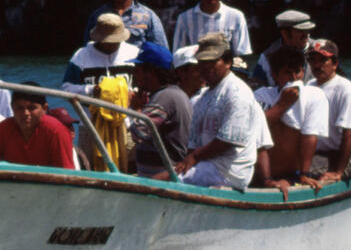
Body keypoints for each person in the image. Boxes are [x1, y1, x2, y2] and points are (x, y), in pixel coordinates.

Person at [167, 32, 260, 190]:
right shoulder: (203, 96)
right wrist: (187, 161)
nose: (206, 67)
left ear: (228, 62)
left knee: (166, 181)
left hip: (229, 171)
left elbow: (228, 140)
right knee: (166, 174)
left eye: (212, 61)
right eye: (202, 62)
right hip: (207, 164)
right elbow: (193, 141)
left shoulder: (237, 92)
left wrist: (194, 158)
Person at [253, 46, 329, 190]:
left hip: (293, 173)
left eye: (298, 72)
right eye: (288, 73)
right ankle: (266, 179)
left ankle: (294, 177)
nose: (294, 78)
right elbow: (255, 130)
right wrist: (283, 104)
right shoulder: (261, 95)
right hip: (261, 172)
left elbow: (310, 135)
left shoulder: (314, 96)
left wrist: (304, 174)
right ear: (274, 75)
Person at [128, 42, 192, 176]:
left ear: (150, 71)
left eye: (137, 69)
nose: (134, 74)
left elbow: (137, 133)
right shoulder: (171, 93)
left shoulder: (165, 97)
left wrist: (137, 109)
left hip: (161, 176)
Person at [306, 39, 351, 182]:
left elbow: (350, 133)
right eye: (312, 60)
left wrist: (338, 172)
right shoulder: (309, 87)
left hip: (343, 157)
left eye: (323, 60)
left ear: (335, 63)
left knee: (301, 171)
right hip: (316, 154)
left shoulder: (345, 89)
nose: (317, 65)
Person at [0, 85, 75, 169]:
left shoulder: (56, 132)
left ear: (44, 108)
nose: (25, 113)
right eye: (19, 108)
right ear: (12, 108)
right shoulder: (3, 129)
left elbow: (66, 174)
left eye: (32, 108)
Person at [172, 0, 252, 57]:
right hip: (196, 68)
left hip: (226, 68)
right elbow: (179, 53)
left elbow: (243, 53)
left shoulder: (236, 16)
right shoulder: (184, 18)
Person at [62, 13, 139, 96]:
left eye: (115, 41)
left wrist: (135, 93)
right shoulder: (81, 56)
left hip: (126, 108)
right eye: (107, 42)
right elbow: (66, 88)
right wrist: (91, 90)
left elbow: (145, 86)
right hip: (89, 108)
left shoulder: (134, 54)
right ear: (98, 39)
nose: (111, 45)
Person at [252, 9, 316, 86]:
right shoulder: (268, 56)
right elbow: (258, 86)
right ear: (285, 33)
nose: (306, 34)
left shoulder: (320, 49)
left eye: (307, 29)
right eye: (300, 30)